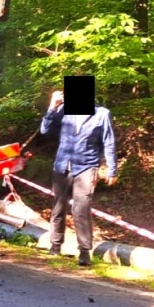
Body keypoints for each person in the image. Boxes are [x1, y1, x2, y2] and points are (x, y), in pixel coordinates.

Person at [40, 87, 117, 266]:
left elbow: (109, 142)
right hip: (62, 166)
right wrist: (52, 106)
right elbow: (45, 130)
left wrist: (112, 169)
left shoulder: (102, 114)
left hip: (87, 167)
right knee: (58, 207)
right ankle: (55, 245)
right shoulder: (64, 111)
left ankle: (84, 251)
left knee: (81, 209)